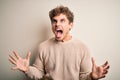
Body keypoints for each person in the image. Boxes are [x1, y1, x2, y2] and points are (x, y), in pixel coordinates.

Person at [9, 5, 110, 80]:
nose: (57, 24)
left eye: (62, 21)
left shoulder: (83, 48)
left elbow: (83, 77)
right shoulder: (43, 47)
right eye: (54, 21)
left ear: (71, 25)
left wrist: (92, 76)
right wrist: (27, 69)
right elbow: (39, 74)